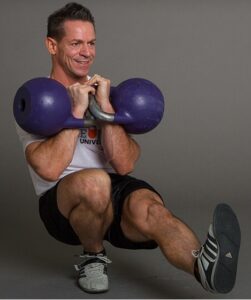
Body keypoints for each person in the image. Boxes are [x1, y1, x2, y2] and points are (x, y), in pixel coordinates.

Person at [15, 2, 241, 295]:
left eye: (91, 43)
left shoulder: (104, 92)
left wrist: (106, 110)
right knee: (95, 182)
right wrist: (75, 113)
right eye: (76, 43)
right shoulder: (37, 99)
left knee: (153, 210)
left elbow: (124, 165)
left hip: (111, 189)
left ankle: (204, 267)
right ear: (52, 45)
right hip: (62, 205)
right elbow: (48, 168)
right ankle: (93, 255)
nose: (87, 52)